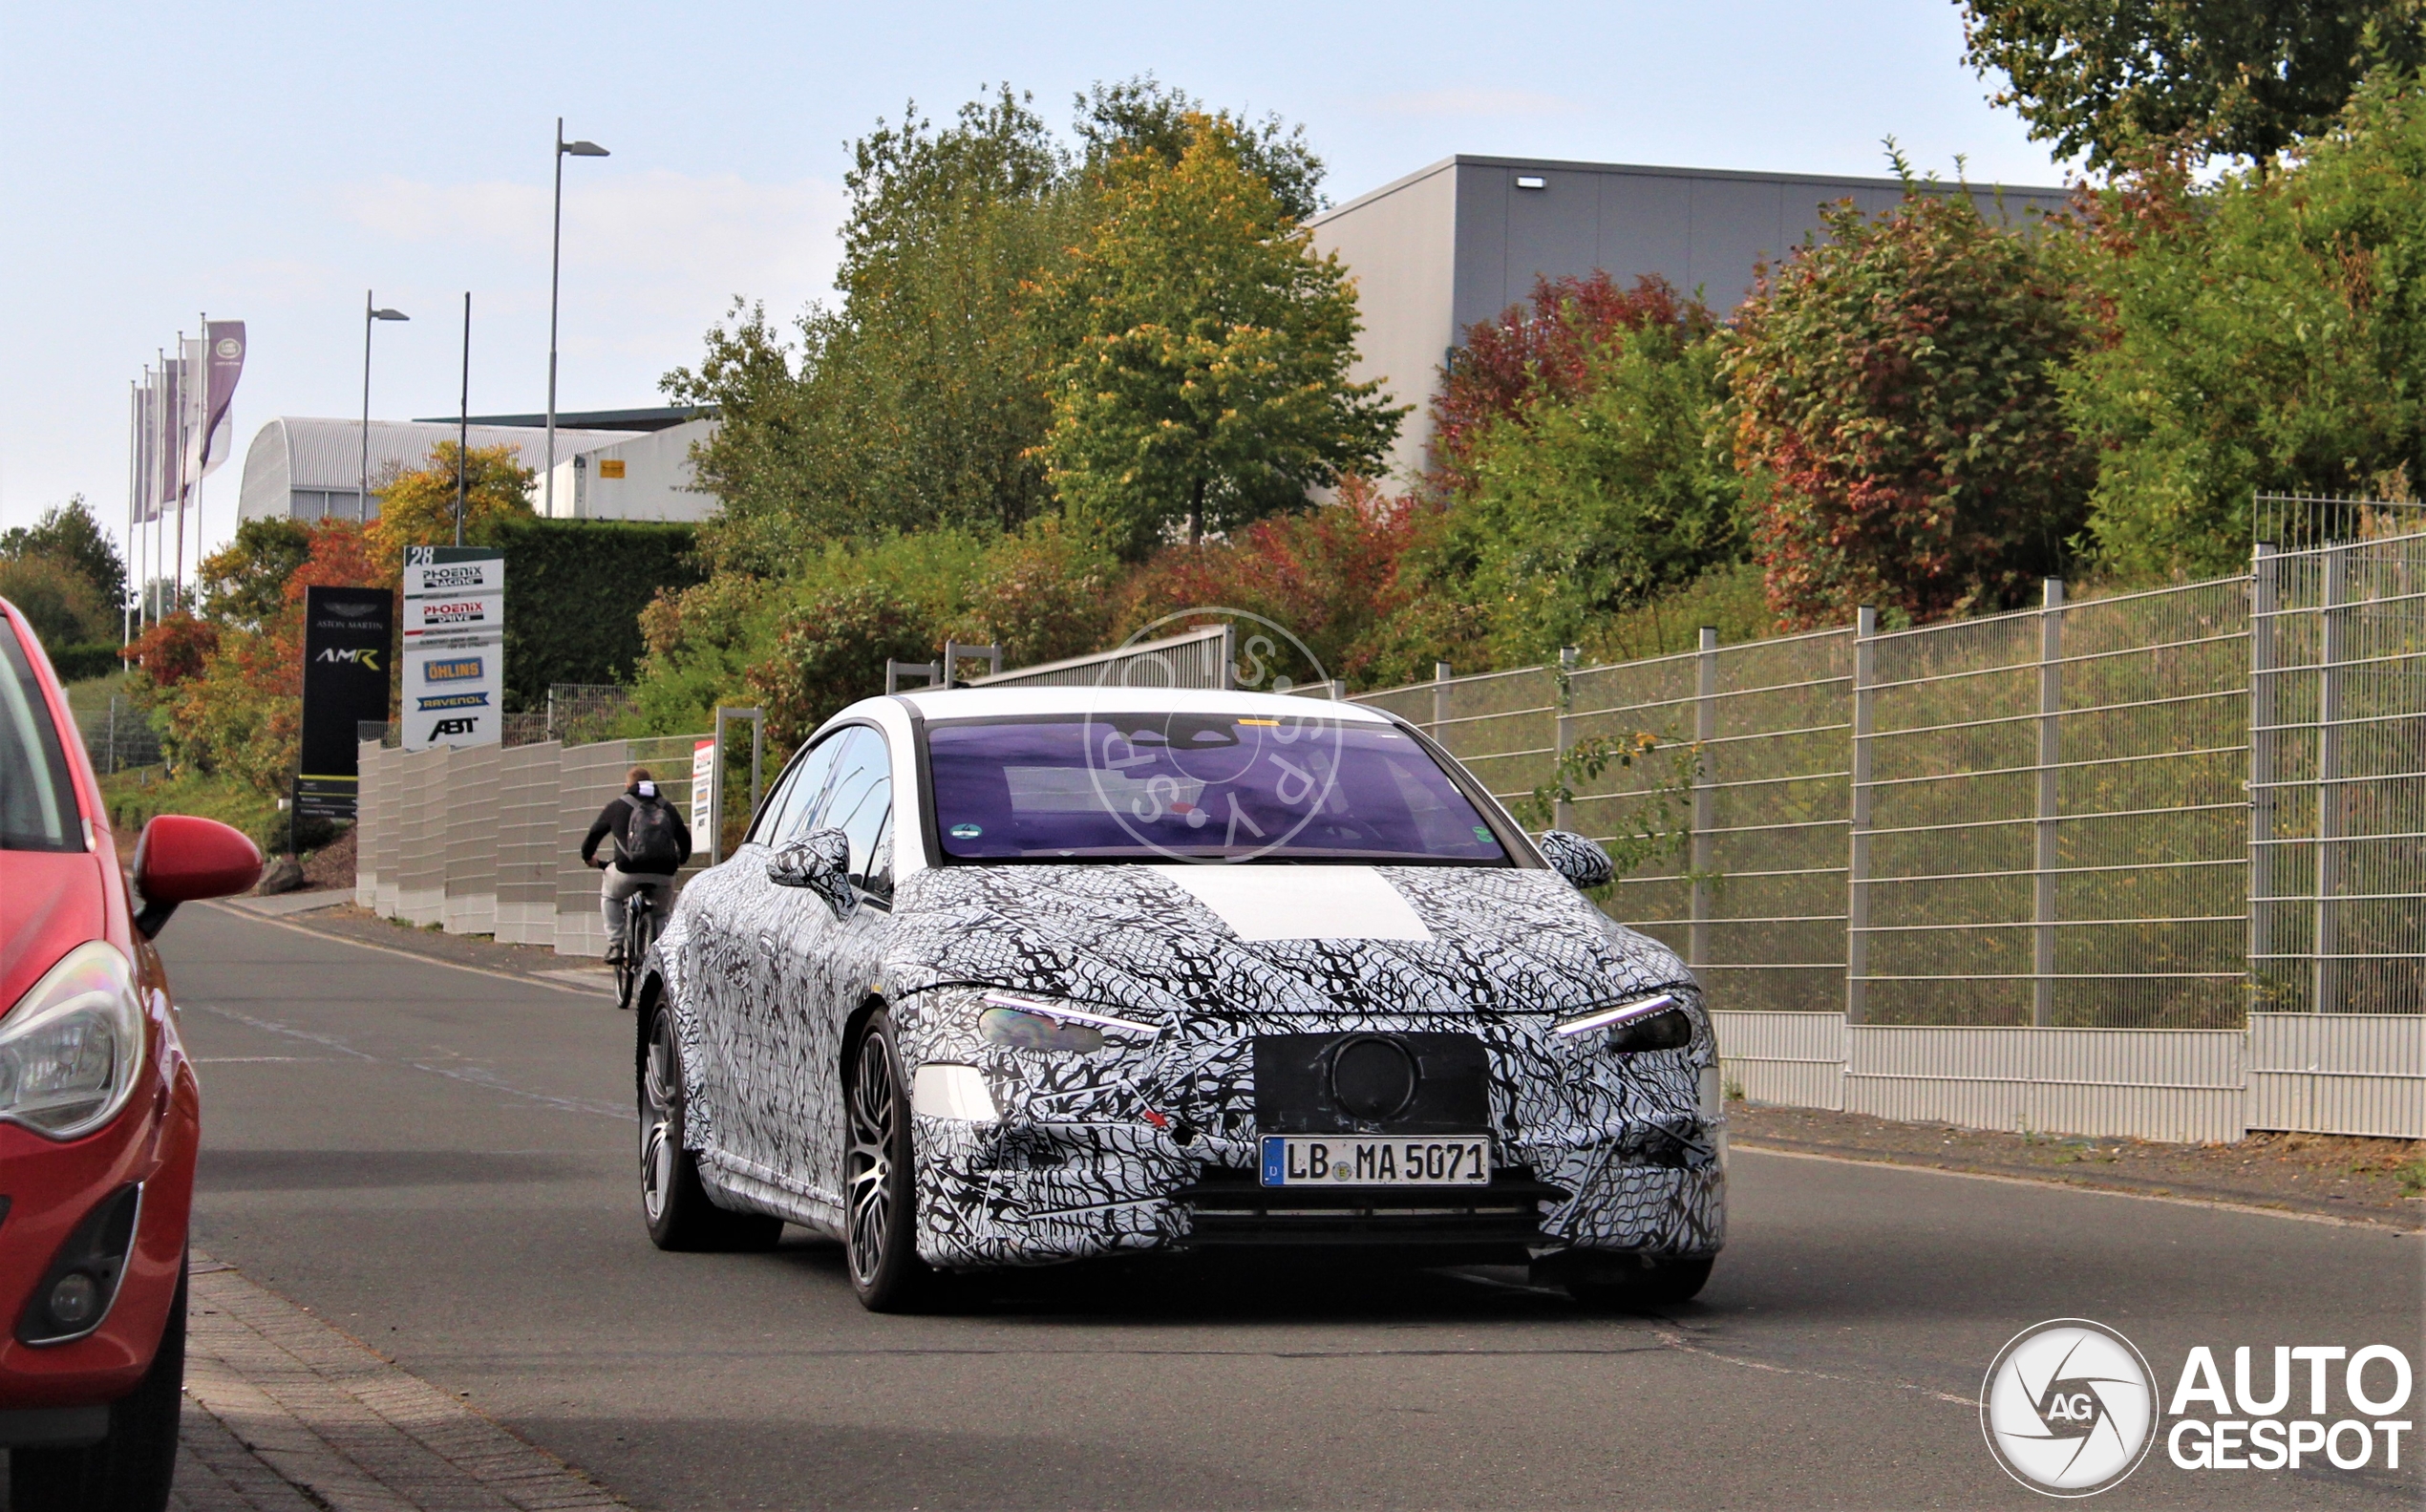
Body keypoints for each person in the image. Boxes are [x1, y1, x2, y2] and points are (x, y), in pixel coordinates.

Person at [583, 766, 692, 962]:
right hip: (664, 873)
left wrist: (589, 858)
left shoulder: (617, 806)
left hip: (627, 871)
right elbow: (685, 840)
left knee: (610, 897)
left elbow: (593, 836)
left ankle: (616, 945)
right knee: (661, 913)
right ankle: (662, 956)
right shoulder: (666, 806)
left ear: (628, 785)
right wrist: (679, 860)